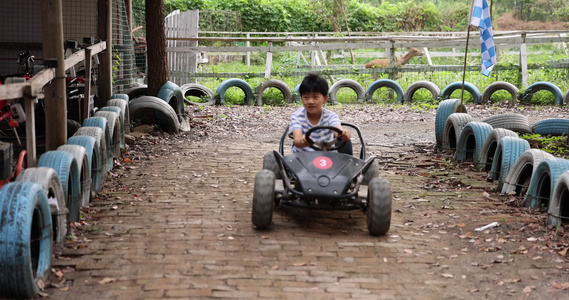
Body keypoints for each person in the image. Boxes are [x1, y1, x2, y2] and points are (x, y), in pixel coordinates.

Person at [289, 73, 352, 153]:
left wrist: (344, 134)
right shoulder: (297, 117)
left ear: (325, 99)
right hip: (303, 159)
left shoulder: (330, 116)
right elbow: (297, 141)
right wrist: (302, 140)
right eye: (306, 97)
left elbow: (337, 130)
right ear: (301, 98)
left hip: (327, 159)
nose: (310, 102)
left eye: (315, 97)